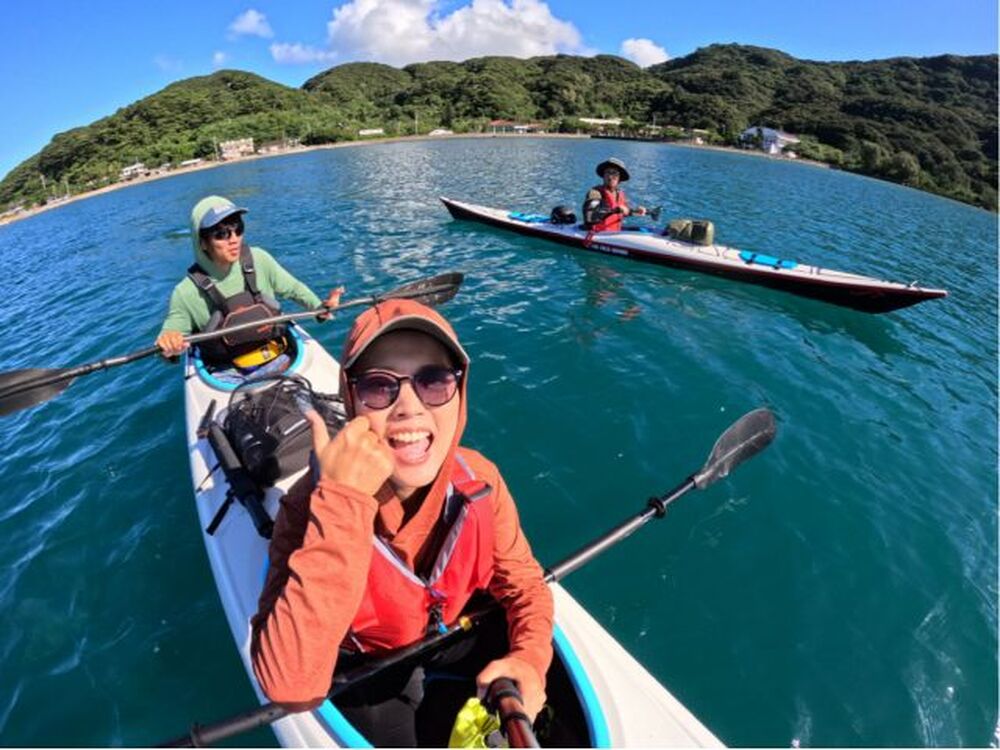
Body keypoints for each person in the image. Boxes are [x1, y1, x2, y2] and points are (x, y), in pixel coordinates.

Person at [250, 298, 554, 746]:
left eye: (434, 381)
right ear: (351, 402)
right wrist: (344, 502)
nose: (409, 407)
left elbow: (525, 585)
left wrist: (530, 658)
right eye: (378, 387)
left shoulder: (481, 479)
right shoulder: (309, 506)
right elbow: (289, 685)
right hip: (373, 668)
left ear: (460, 391)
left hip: (452, 632)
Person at [155, 195, 342, 372]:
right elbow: (169, 337)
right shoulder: (185, 293)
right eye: (221, 234)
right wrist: (169, 345)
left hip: (279, 353)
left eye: (238, 229)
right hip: (225, 373)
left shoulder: (259, 259)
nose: (234, 239)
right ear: (202, 243)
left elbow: (293, 288)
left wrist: (320, 307)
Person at [581, 157, 646, 232]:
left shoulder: (620, 194)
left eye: (614, 173)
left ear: (619, 179)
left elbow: (624, 212)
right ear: (603, 176)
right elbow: (590, 217)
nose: (610, 176)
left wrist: (636, 211)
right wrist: (616, 210)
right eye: (608, 172)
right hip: (598, 234)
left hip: (614, 233)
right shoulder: (595, 193)